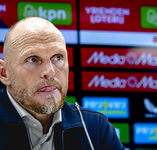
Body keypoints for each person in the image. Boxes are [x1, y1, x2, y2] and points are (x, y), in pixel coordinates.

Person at [0, 17, 125, 150]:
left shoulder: (95, 129)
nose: (50, 71)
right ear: (4, 73)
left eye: (58, 57)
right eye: (33, 59)